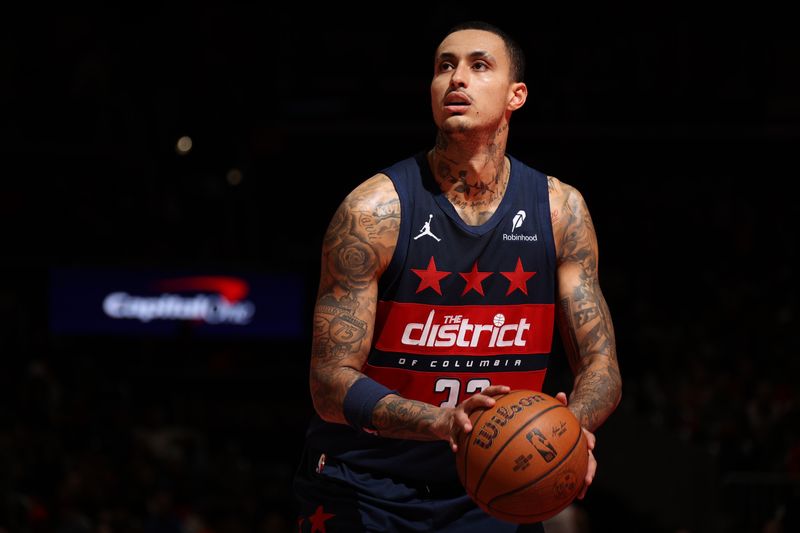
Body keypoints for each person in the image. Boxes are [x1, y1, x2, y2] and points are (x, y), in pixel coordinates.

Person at [293, 20, 622, 532]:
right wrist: (443, 423)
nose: (456, 78)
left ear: (517, 95)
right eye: (444, 66)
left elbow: (601, 363)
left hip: (490, 496)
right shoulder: (374, 211)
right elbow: (328, 385)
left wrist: (565, 430)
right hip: (364, 486)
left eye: (478, 65)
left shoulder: (560, 211)